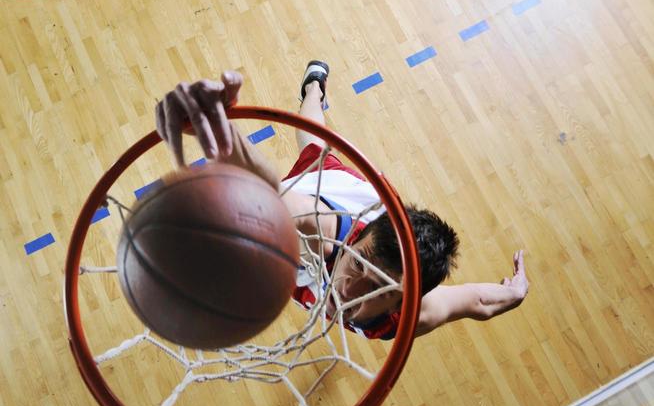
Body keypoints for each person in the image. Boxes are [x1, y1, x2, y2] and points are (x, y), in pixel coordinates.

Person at [155, 65, 529, 340]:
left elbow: (476, 302)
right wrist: (219, 129)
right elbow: (277, 196)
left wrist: (514, 293)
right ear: (353, 243)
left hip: (345, 236)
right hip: (333, 190)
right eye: (359, 265)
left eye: (377, 289)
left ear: (400, 303)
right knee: (313, 141)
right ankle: (314, 88)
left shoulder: (411, 317)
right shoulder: (324, 229)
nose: (351, 289)